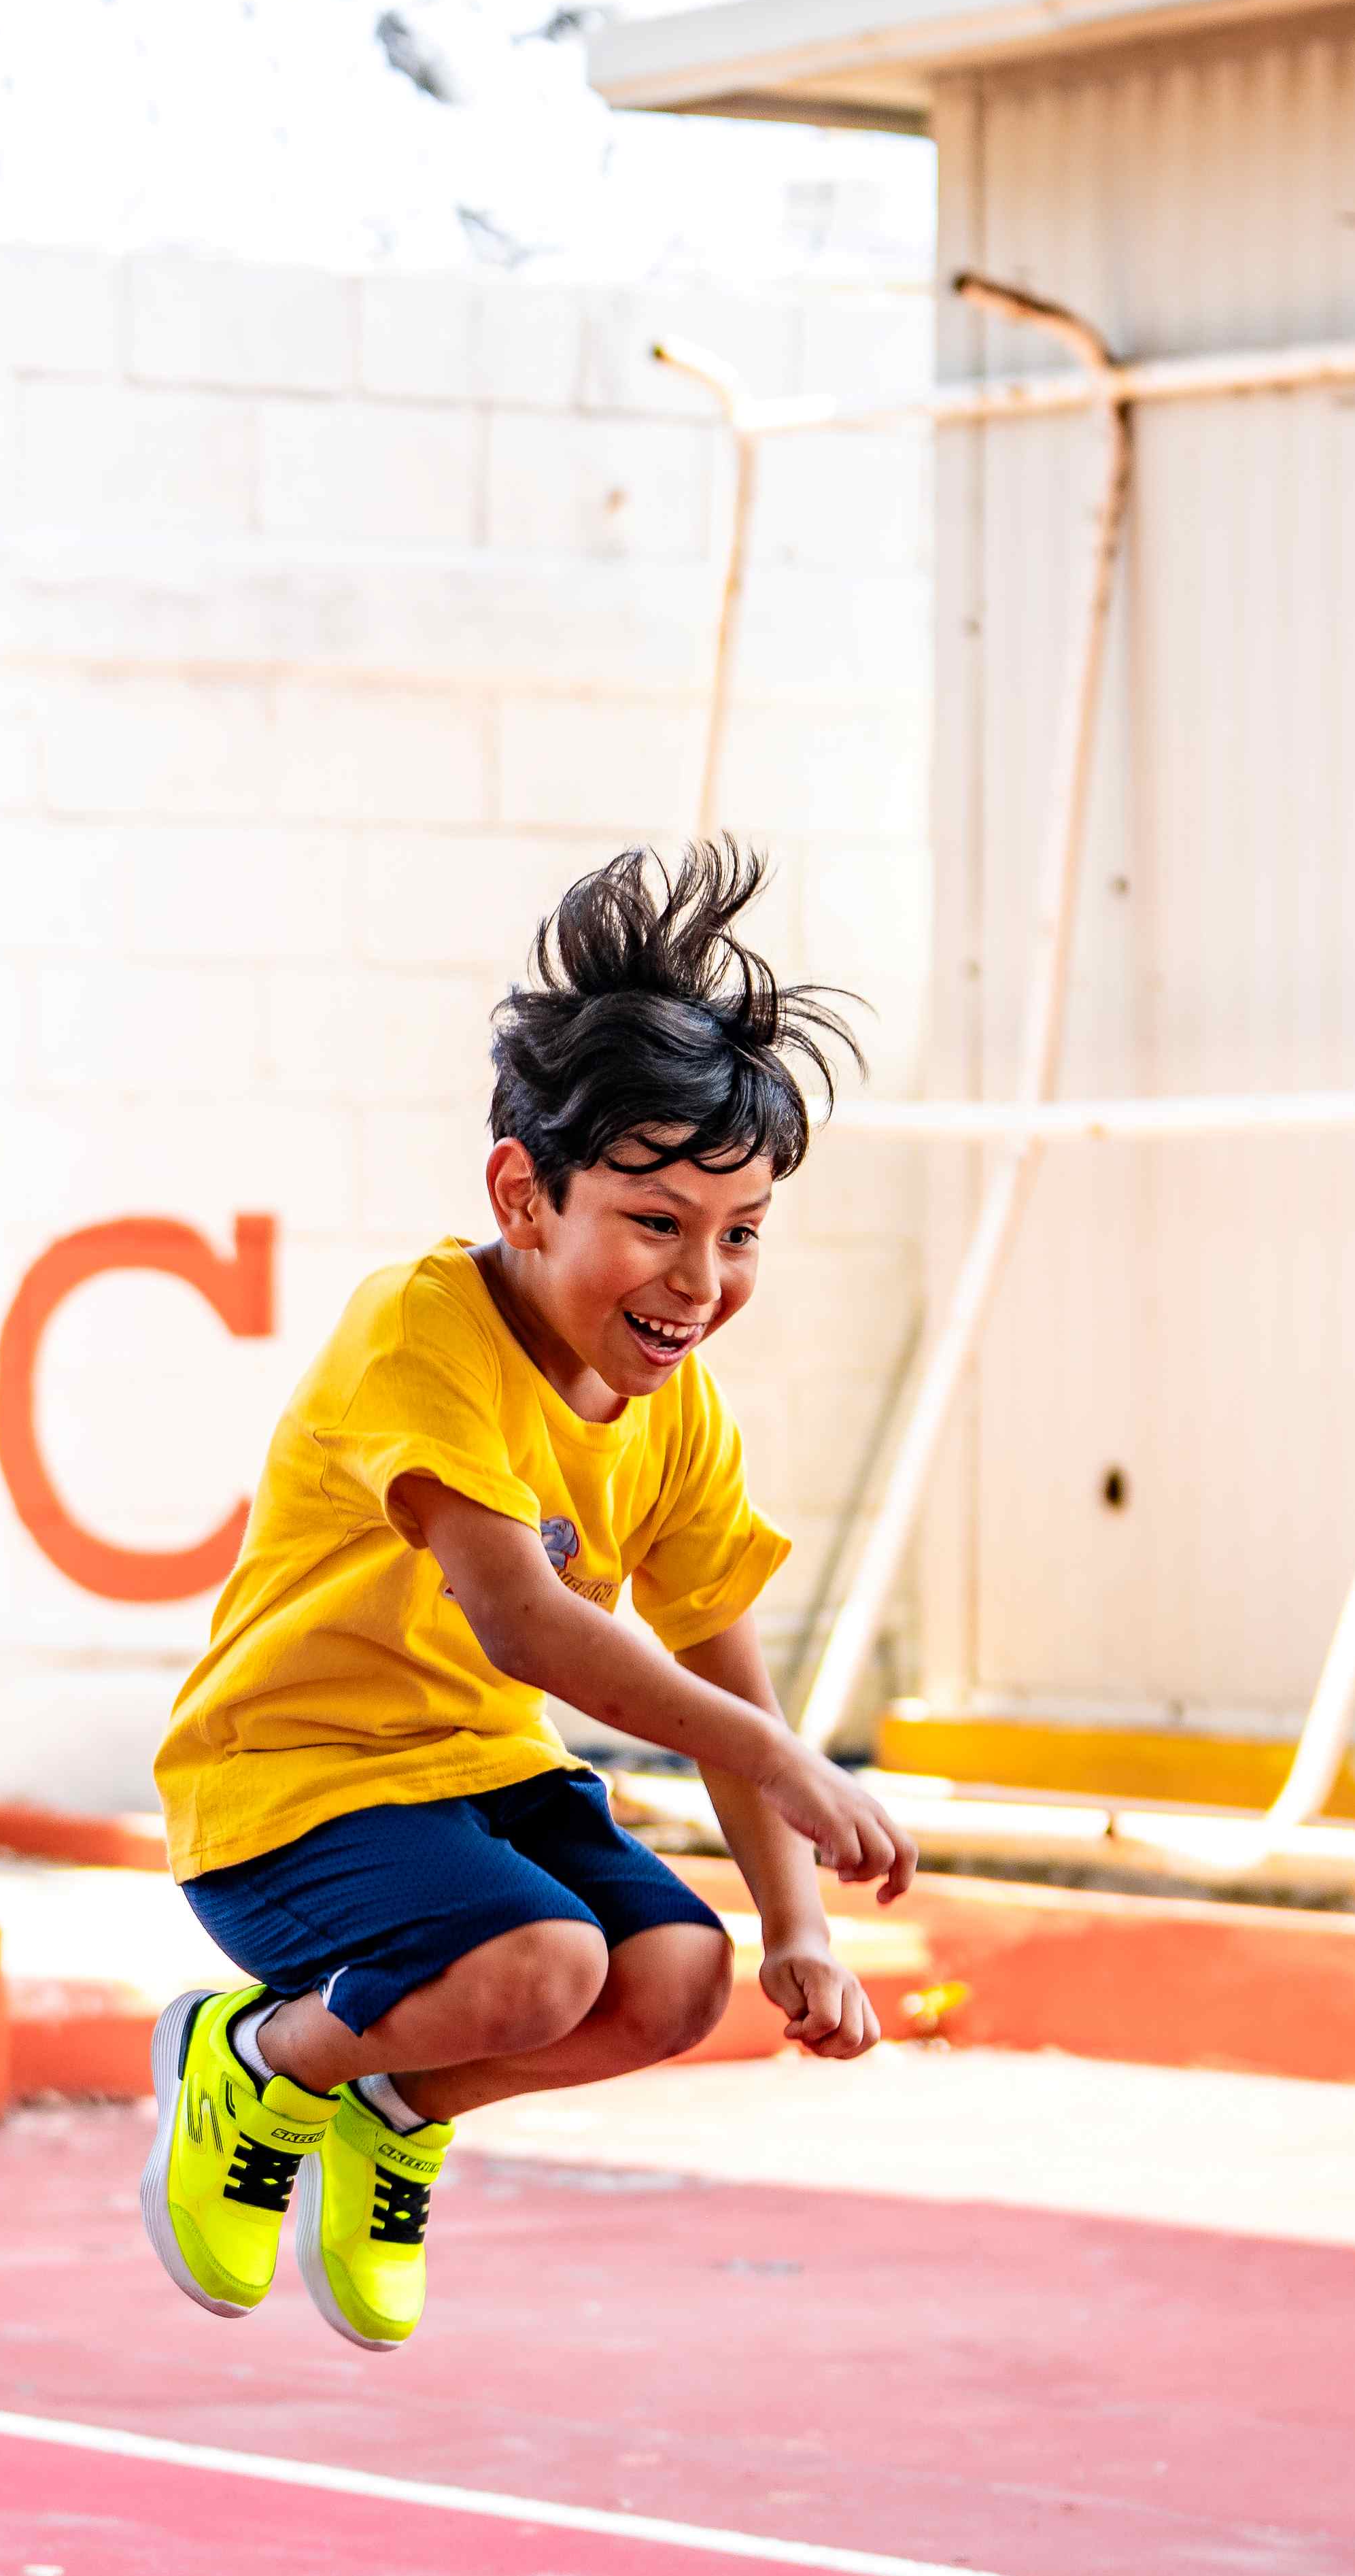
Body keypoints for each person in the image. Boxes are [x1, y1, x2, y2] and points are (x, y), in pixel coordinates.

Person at [136, 840, 919, 2354]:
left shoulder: (678, 1411)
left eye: (739, 1232)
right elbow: (527, 1625)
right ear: (527, 1192)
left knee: (682, 1978)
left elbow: (725, 1675)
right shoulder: (419, 1332)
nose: (700, 1281)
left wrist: (798, 1925)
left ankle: (388, 2105)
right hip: (286, 1791)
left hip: (477, 1783)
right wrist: (789, 1769)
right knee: (543, 1962)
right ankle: (254, 2060)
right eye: (657, 1222)